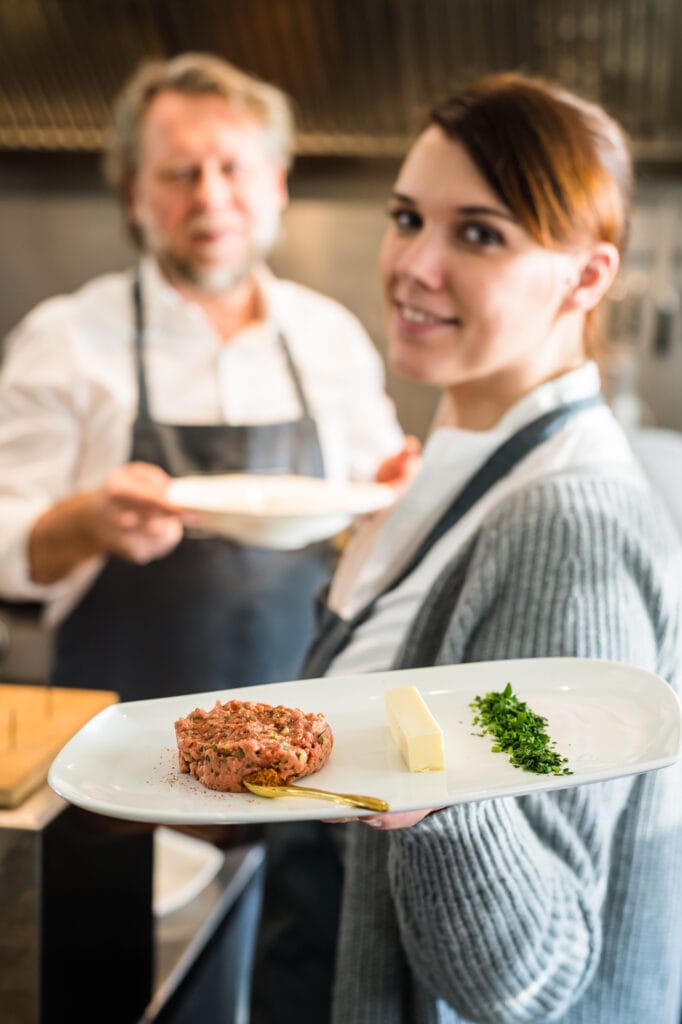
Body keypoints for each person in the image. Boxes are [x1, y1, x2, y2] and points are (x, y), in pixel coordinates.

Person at [268, 73, 682, 1023]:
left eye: (479, 233)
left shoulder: (567, 527)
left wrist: (436, 788)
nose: (415, 264)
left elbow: (532, 971)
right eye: (408, 217)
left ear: (587, 278)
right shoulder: (459, 471)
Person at [0, 52, 405, 700]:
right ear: (134, 196)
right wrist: (89, 524)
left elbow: (377, 528)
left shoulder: (330, 338)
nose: (210, 196)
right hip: (118, 749)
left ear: (275, 184)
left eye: (233, 168)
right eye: (180, 174)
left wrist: (396, 496)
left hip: (307, 728)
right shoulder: (65, 339)